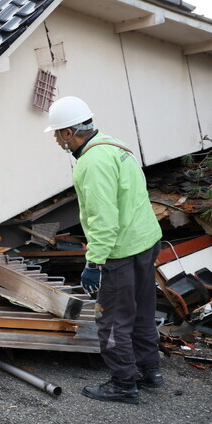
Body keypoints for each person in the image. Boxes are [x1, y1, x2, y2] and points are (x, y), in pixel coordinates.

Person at [45, 96, 163, 405]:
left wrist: (94, 262)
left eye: (58, 134)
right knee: (142, 312)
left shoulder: (91, 164)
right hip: (146, 242)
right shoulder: (115, 146)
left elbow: (103, 220)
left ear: (70, 132)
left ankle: (124, 383)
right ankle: (150, 371)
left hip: (121, 252)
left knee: (112, 320)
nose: (57, 140)